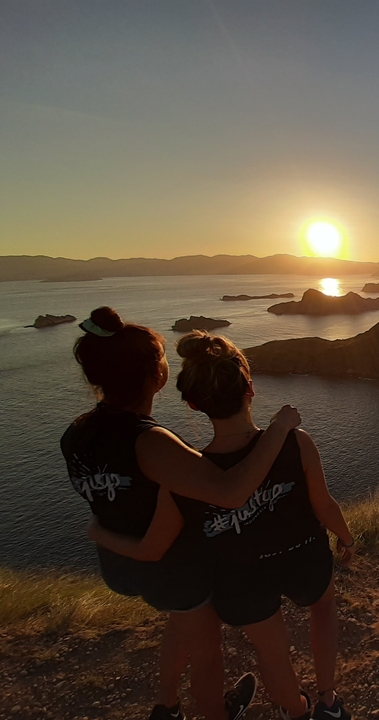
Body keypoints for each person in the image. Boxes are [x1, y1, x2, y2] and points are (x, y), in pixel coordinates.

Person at [92, 330, 355, 720]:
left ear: (194, 404)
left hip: (242, 580)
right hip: (303, 556)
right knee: (323, 607)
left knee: (273, 654)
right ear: (250, 388)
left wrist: (99, 533)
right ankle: (328, 702)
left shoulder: (187, 479)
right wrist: (346, 538)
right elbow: (324, 505)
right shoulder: (295, 442)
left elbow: (155, 546)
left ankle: (296, 710)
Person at [63, 307, 302, 720]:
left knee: (180, 625)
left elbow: (113, 497)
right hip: (169, 569)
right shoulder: (151, 443)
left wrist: (103, 535)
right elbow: (230, 491)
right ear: (154, 374)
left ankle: (168, 704)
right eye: (161, 356)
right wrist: (279, 430)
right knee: (207, 653)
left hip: (118, 566)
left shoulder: (77, 432)